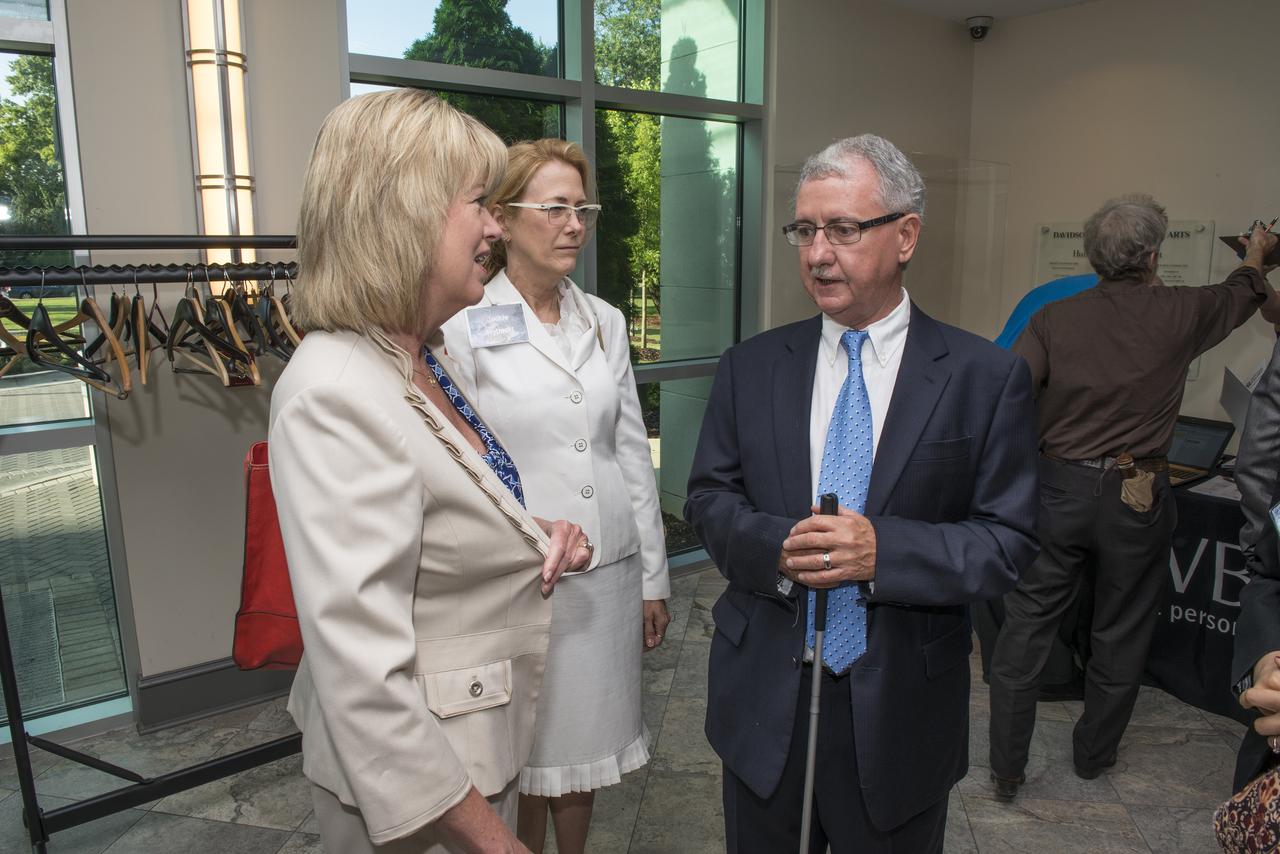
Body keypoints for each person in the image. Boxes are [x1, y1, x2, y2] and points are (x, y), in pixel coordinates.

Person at [684, 133, 1040, 853]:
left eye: (843, 229)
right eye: (805, 230)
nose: (818, 253)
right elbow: (709, 501)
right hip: (763, 708)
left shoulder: (982, 377)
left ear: (905, 235)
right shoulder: (751, 367)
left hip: (902, 712)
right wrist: (778, 548)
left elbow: (1009, 543)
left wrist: (884, 550)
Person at [269, 90, 591, 854]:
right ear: (404, 214)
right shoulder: (334, 392)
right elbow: (364, 678)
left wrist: (528, 531)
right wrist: (497, 843)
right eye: (479, 202)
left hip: (472, 757)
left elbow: (433, 515)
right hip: (424, 801)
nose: (494, 225)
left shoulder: (423, 355)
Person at [988, 196, 1280, 802]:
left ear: (1092, 256)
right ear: (1153, 256)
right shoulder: (1182, 310)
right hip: (1137, 495)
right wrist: (1257, 252)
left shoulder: (1054, 319)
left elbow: (1007, 399)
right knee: (1120, 629)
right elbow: (1244, 289)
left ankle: (1007, 768)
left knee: (1025, 630)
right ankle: (1093, 758)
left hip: (1057, 488)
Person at [441, 138, 670, 854]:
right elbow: (463, 465)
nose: (575, 224)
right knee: (521, 756)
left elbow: (629, 448)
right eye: (556, 208)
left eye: (584, 208)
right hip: (522, 578)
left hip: (606, 576)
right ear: (503, 219)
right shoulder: (463, 324)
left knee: (582, 757)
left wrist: (653, 578)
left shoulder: (602, 320)